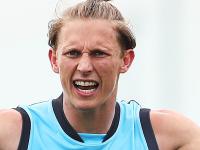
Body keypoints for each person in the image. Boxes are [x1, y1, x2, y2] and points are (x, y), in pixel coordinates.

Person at [0, 0, 200, 149]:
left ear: (126, 60)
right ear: (54, 60)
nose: (85, 66)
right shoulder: (11, 132)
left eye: (99, 53)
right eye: (73, 53)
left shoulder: (172, 137)